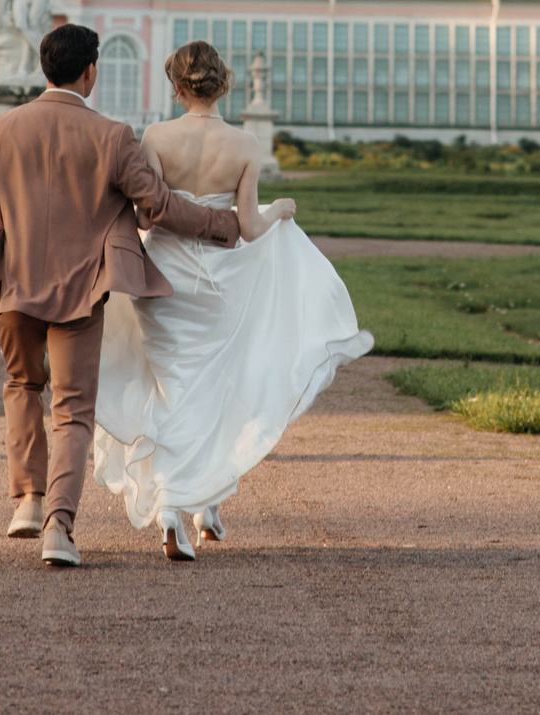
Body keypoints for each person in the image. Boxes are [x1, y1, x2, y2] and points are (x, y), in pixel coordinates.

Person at [0, 23, 243, 569]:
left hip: (13, 286)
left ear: (44, 68)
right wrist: (225, 224)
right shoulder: (113, 136)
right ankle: (59, 528)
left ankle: (29, 502)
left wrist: (9, 228)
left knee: (21, 384)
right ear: (90, 72)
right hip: (83, 292)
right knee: (73, 411)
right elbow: (158, 208)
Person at [92, 39, 374, 562]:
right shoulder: (245, 145)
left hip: (165, 278)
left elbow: (150, 216)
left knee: (174, 387)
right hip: (220, 285)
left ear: (178, 88)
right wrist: (281, 211)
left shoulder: (155, 136)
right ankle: (192, 503)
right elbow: (248, 228)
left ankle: (184, 507)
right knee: (216, 390)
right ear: (222, 84)